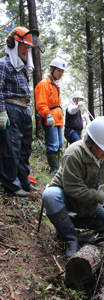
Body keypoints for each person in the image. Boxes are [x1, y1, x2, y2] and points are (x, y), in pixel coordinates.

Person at [43, 116, 104, 259]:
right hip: (67, 196)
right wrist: (101, 197)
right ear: (90, 143)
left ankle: (67, 223)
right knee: (50, 195)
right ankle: (70, 239)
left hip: (90, 201)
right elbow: (73, 188)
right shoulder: (74, 154)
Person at [0, 26, 44, 197]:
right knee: (12, 147)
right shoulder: (3, 64)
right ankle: (10, 184)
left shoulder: (24, 68)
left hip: (24, 110)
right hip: (10, 109)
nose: (27, 50)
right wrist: (2, 111)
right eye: (24, 46)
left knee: (25, 147)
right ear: (13, 44)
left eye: (29, 47)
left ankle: (23, 180)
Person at [35, 58, 66, 174]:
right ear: (52, 69)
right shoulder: (44, 84)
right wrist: (47, 115)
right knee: (52, 144)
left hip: (57, 117)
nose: (60, 73)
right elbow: (41, 103)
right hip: (49, 117)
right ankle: (54, 170)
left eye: (62, 71)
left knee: (59, 144)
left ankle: (57, 168)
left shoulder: (56, 84)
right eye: (58, 70)